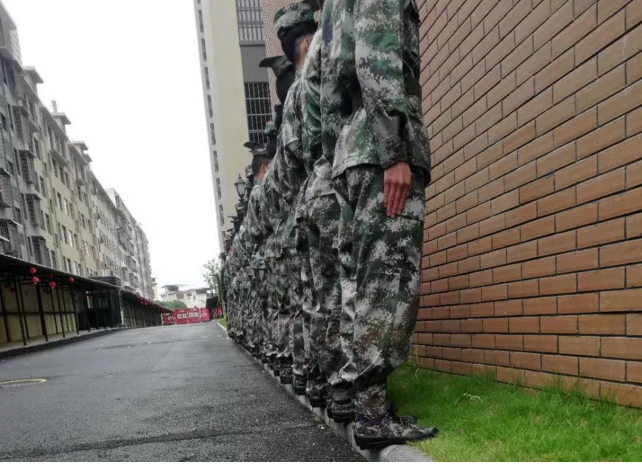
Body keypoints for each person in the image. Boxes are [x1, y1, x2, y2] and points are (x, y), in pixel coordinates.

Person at [330, 0, 438, 449]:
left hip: (355, 146)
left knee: (358, 283)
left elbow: (333, 91)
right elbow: (376, 55)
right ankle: (372, 415)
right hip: (379, 151)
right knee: (388, 282)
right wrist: (394, 151)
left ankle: (356, 398)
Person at [271, 1, 318, 388]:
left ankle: (313, 379)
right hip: (322, 192)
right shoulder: (310, 86)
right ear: (306, 42)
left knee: (306, 298)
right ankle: (337, 389)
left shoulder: (291, 104)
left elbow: (286, 172)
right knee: (328, 294)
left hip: (300, 208)